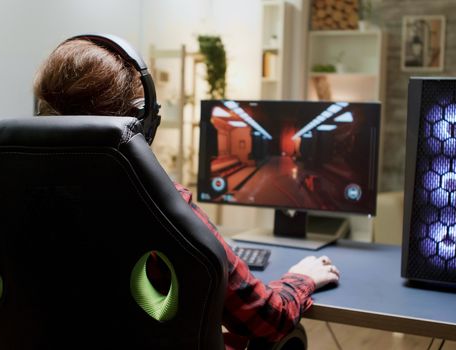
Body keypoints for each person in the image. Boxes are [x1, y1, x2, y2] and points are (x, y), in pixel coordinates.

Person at [33, 35, 341, 350]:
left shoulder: (10, 198)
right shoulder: (159, 206)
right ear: (142, 121)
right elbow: (267, 318)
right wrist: (302, 279)